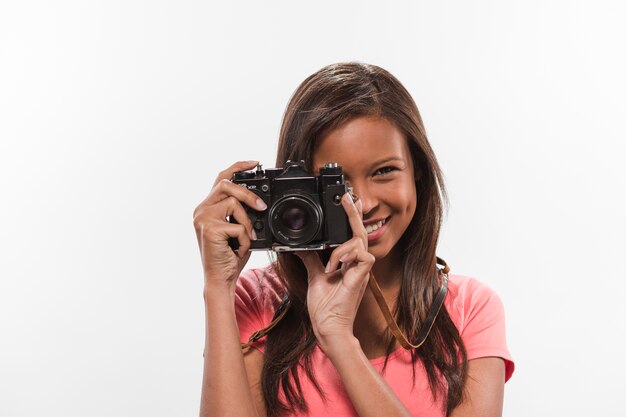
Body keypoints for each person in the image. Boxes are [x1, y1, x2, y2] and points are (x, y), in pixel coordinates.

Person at [193, 62, 514, 417]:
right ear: (298, 188)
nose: (363, 203)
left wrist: (340, 341)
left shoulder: (471, 310)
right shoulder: (256, 302)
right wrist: (217, 288)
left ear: (417, 169)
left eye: (384, 171)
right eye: (337, 183)